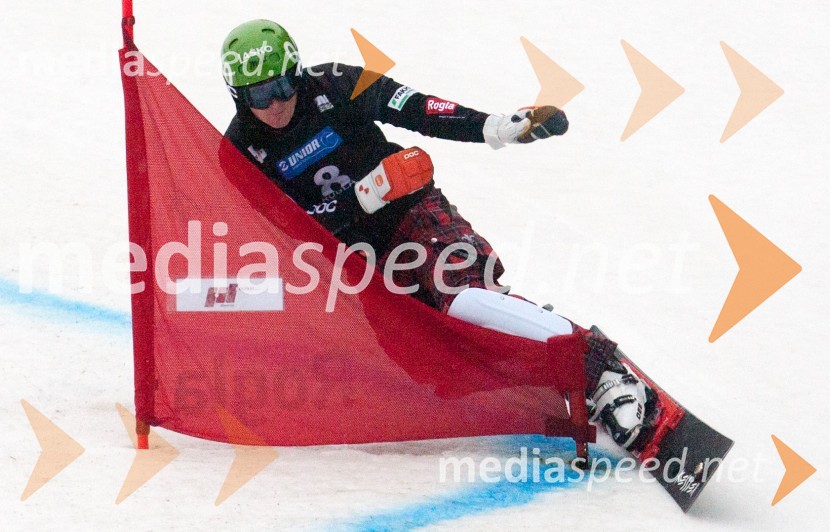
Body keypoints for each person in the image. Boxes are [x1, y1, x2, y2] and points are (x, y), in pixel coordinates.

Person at [219, 19, 657, 452]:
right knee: (439, 370)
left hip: (412, 212)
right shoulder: (237, 152)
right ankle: (535, 335)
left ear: (298, 74)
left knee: (465, 298)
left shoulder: (335, 83)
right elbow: (284, 230)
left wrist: (493, 126)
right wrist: (363, 197)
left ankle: (603, 369)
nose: (276, 103)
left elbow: (417, 108)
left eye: (283, 86)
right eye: (260, 94)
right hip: (360, 260)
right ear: (238, 96)